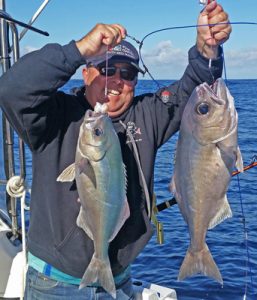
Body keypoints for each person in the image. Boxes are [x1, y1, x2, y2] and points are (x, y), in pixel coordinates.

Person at [0, 1, 231, 299]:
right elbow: (12, 89)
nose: (117, 81)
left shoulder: (146, 116)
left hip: (119, 280)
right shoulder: (54, 116)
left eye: (128, 73)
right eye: (107, 68)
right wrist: (78, 48)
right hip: (55, 286)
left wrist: (207, 47)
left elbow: (195, 92)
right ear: (86, 74)